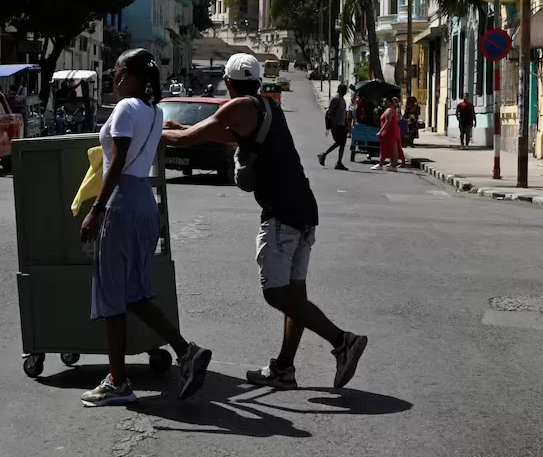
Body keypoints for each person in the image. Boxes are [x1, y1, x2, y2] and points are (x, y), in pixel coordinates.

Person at [161, 53, 367, 391]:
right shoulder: (267, 106)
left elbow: (191, 139)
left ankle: (342, 341)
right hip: (304, 208)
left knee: (275, 293)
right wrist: (183, 129)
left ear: (227, 82)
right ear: (257, 80)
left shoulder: (238, 106)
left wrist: (153, 134)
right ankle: (284, 368)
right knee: (294, 294)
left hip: (282, 212)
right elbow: (227, 137)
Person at [78, 48, 212, 407]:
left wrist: (96, 210)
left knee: (111, 296)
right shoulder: (155, 111)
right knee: (135, 294)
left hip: (120, 203)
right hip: (144, 205)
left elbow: (117, 160)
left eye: (116, 70)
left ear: (126, 74)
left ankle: (117, 382)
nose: (113, 76)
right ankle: (186, 351)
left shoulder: (125, 108)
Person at [317, 83, 350, 171]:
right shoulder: (335, 99)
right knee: (339, 142)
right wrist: (329, 126)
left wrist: (347, 125)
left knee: (342, 143)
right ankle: (323, 155)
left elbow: (343, 114)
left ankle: (339, 162)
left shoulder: (342, 100)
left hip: (342, 124)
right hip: (336, 125)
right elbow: (329, 113)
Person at [375, 96, 404, 171]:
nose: (384, 103)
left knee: (384, 147)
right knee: (393, 148)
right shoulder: (391, 110)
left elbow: (387, 122)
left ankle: (381, 164)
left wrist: (380, 131)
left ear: (390, 102)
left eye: (385, 102)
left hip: (389, 131)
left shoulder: (389, 110)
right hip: (392, 130)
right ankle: (393, 165)